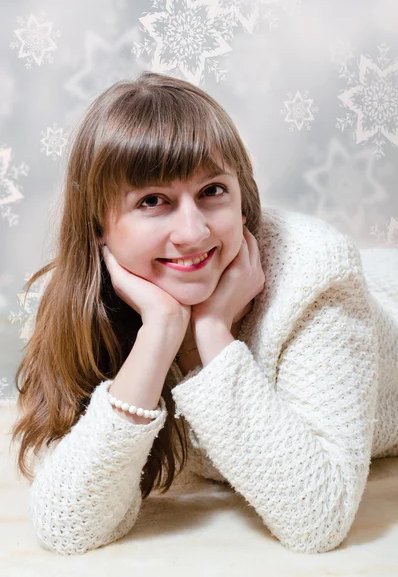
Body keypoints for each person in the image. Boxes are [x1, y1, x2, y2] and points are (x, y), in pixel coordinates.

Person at [9, 71, 398, 557]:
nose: (192, 232)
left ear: (242, 196)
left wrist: (212, 332)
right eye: (153, 201)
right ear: (99, 229)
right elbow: (68, 525)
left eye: (213, 191)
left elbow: (317, 518)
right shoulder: (85, 298)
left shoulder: (316, 277)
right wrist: (161, 332)